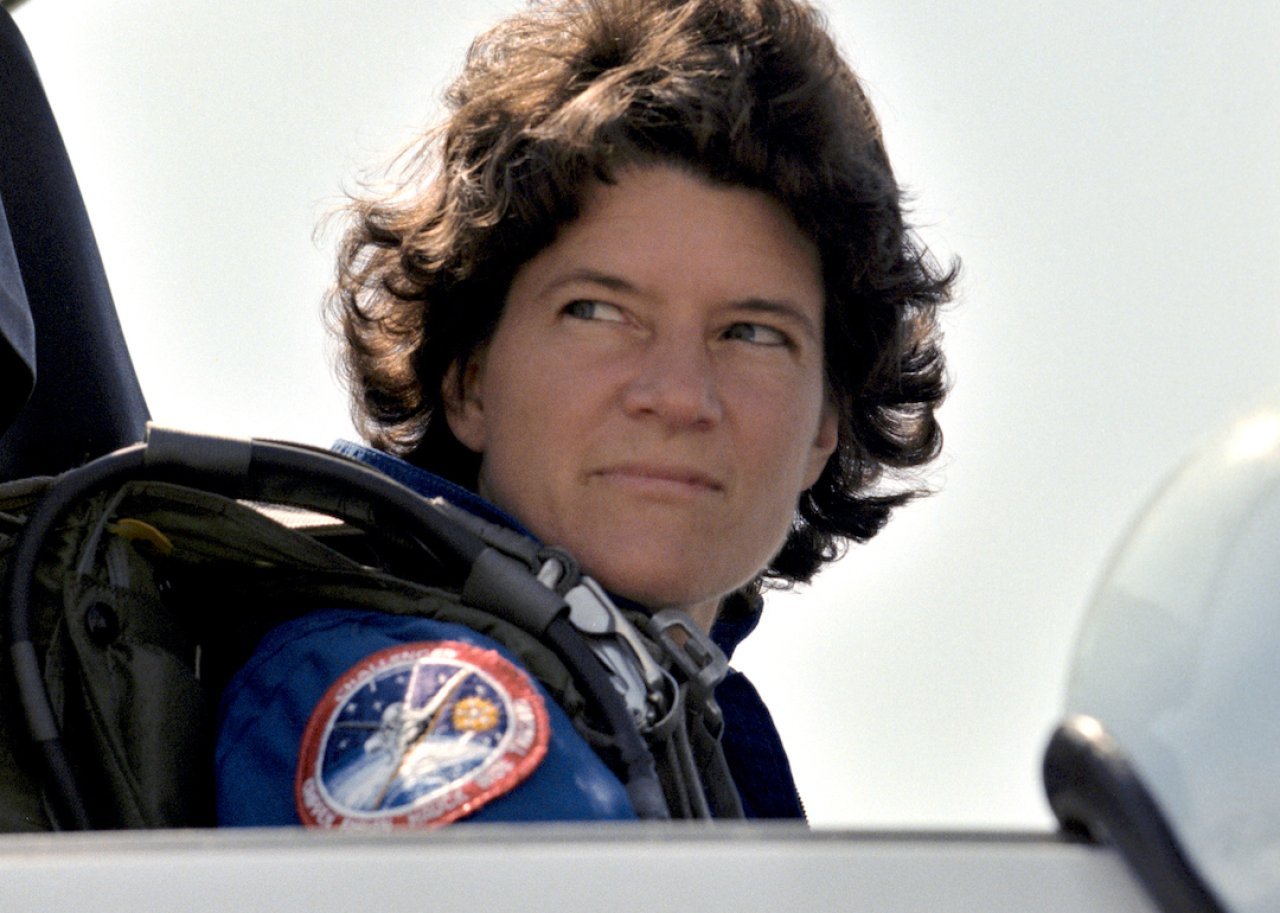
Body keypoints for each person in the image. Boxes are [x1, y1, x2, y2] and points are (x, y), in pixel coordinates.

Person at [216, 0, 954, 827]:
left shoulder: (680, 740)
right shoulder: (409, 699)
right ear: (468, 378)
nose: (677, 394)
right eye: (598, 311)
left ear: (826, 422)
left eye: (750, 332)